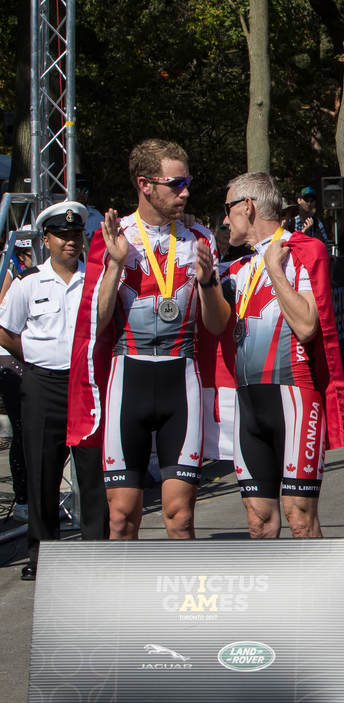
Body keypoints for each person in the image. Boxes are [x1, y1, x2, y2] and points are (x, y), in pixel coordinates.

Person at [73, 138, 228, 540]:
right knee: (122, 517)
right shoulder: (114, 235)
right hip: (129, 377)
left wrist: (208, 281)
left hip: (182, 377)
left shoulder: (199, 238)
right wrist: (115, 265)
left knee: (180, 516)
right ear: (145, 184)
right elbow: (97, 320)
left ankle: (185, 603)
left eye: (187, 182)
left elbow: (216, 325)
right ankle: (123, 603)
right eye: (175, 184)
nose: (186, 192)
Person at [211, 172, 344, 538]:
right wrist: (206, 281)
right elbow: (213, 327)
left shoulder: (302, 251)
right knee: (259, 522)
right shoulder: (235, 268)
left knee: (300, 518)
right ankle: (273, 597)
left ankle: (319, 597)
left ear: (247, 207)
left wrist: (275, 270)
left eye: (228, 210)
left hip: (294, 397)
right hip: (248, 405)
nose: (225, 221)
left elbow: (306, 326)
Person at [0, 202, 106, 579]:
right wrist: (31, 356)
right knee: (43, 472)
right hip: (42, 384)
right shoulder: (29, 282)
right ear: (46, 239)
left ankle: (97, 552)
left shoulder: (95, 279)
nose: (70, 242)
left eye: (76, 235)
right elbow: (6, 329)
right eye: (62, 235)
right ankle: (42, 557)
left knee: (93, 474)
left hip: (85, 385)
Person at [0, 237, 34, 522]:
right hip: (10, 355)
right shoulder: (10, 268)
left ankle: (39, 493)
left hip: (36, 356)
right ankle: (23, 498)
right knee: (21, 431)